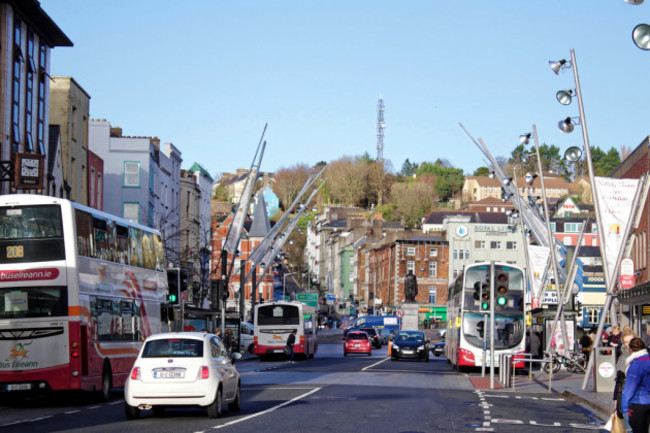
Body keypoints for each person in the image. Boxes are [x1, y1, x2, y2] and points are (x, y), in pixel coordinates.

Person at [621, 338, 650, 433]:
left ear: (631, 350)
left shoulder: (635, 365)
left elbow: (629, 389)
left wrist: (624, 409)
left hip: (637, 404)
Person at [614, 330, 637, 427]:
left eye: (630, 341)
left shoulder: (644, 355)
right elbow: (618, 380)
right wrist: (616, 399)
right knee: (629, 426)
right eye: (626, 342)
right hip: (626, 394)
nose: (629, 344)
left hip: (642, 396)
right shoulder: (622, 357)